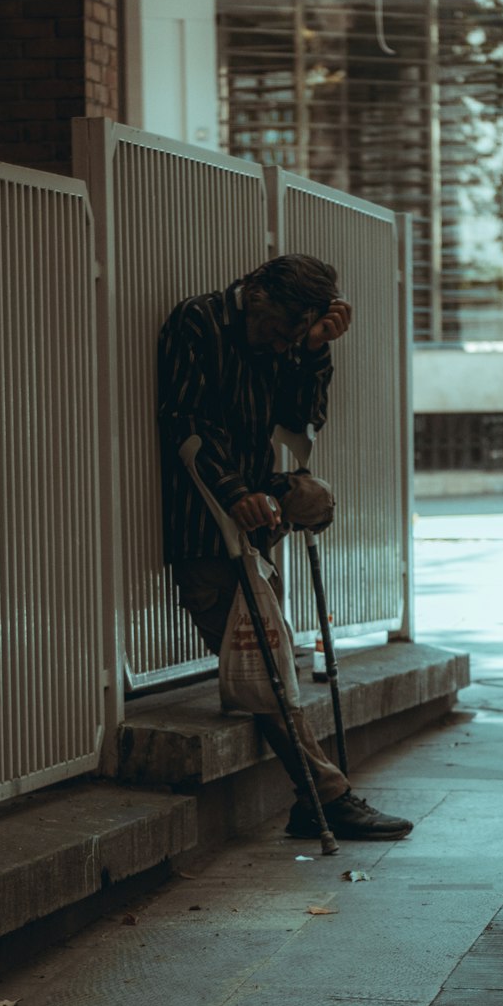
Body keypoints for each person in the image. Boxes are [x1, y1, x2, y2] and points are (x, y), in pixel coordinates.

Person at [157, 253, 413, 842]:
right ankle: (326, 795)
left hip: (256, 517)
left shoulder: (289, 341)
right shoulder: (198, 322)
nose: (283, 342)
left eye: (296, 332)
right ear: (256, 293)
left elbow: (301, 421)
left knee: (273, 655)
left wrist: (317, 349)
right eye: (280, 327)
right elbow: (186, 422)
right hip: (208, 521)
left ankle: (317, 795)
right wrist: (234, 491)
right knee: (265, 665)